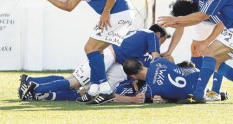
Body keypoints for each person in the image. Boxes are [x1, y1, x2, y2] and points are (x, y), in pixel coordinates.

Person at [37, 0, 134, 104]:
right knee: (97, 51)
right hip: (116, 14)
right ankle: (95, 89)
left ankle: (105, 90)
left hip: (118, 12)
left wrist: (106, 11)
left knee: (90, 48)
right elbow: (68, 6)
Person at [20, 24, 170, 102]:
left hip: (108, 55)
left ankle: (30, 81)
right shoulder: (152, 36)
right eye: (162, 40)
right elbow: (156, 59)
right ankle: (35, 89)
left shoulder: (140, 36)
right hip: (107, 55)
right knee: (74, 82)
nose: (160, 44)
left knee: (74, 80)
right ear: (158, 35)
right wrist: (167, 67)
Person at [162, 0, 227, 101]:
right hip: (201, 17)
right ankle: (198, 89)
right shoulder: (181, 1)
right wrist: (169, 51)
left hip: (224, 20)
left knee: (217, 53)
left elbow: (222, 24)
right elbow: (180, 25)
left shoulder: (208, 4)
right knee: (196, 50)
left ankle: (215, 92)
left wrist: (207, 42)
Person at [123, 57, 201, 102]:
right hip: (198, 74)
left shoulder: (148, 91)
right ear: (141, 63)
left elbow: (139, 98)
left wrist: (136, 90)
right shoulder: (159, 60)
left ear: (132, 76)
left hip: (194, 95)